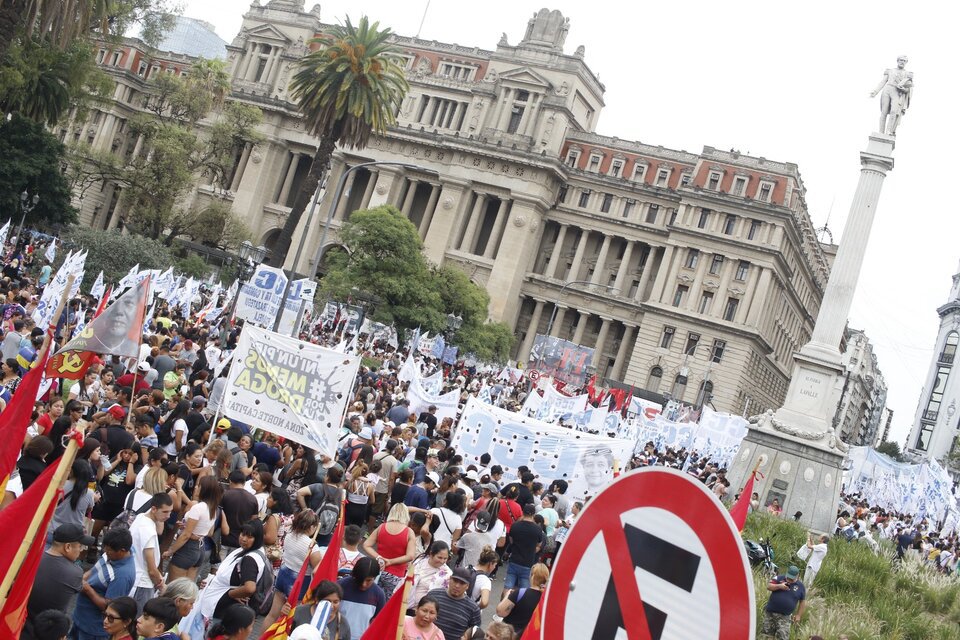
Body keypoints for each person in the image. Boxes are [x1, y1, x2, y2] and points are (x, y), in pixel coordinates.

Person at [23, 523, 93, 639]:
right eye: (80, 546)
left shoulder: (31, 557)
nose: (81, 550)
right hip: (49, 631)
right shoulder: (74, 572)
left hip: (21, 625)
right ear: (68, 547)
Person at [262, 510, 323, 631]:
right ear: (311, 527)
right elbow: (317, 569)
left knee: (273, 614)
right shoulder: (312, 546)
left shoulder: (289, 535)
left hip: (283, 573)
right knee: (293, 619)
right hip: (299, 581)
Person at [196, 520, 266, 624]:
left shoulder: (250, 559)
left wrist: (231, 594)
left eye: (250, 537)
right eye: (243, 534)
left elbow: (250, 588)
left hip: (222, 609)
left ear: (257, 539)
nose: (244, 539)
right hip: (217, 604)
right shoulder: (247, 550)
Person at [72, 528, 137, 640]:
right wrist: (82, 578)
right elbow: (95, 569)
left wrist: (88, 589)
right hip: (79, 618)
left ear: (122, 551)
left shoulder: (123, 576)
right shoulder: (114, 550)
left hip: (92, 630)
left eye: (109, 551)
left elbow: (110, 607)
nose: (106, 553)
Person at [165, 475, 221, 582]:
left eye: (198, 486)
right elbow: (209, 532)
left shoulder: (198, 507)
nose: (196, 488)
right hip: (200, 548)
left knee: (174, 587)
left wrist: (170, 551)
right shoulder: (212, 509)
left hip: (187, 548)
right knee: (187, 588)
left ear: (204, 489)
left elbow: (186, 535)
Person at [130, 493, 175, 611]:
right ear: (154, 509)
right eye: (165, 512)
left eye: (170, 511)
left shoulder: (140, 517)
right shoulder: (148, 531)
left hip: (134, 577)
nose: (168, 516)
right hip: (142, 584)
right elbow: (151, 569)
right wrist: (162, 585)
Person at [363, 503, 418, 598]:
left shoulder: (381, 527)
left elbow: (366, 545)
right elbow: (410, 556)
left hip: (378, 571)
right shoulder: (409, 532)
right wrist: (390, 561)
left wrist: (379, 557)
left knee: (374, 599)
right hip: (396, 575)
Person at [337, 557, 386, 640]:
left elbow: (377, 622)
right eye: (360, 579)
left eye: (368, 580)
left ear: (375, 577)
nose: (363, 584)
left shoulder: (379, 595)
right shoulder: (340, 586)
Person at [426, 567, 482, 640]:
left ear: (467, 586)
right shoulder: (433, 595)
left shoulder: (473, 609)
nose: (457, 586)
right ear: (449, 579)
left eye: (462, 583)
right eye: (455, 581)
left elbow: (475, 635)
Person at [287, 579, 351, 639]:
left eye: (335, 602)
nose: (331, 606)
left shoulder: (343, 623)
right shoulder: (298, 612)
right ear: (317, 600)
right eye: (327, 602)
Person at [496, 563, 548, 636]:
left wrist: (507, 595)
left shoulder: (520, 593)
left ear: (531, 576)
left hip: (510, 633)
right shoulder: (545, 599)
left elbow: (500, 612)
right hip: (527, 635)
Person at [503, 504, 544, 592]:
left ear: (523, 513)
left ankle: (503, 603)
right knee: (523, 590)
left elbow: (511, 541)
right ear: (533, 514)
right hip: (528, 563)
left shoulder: (515, 526)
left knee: (508, 586)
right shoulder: (537, 529)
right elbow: (539, 545)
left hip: (514, 560)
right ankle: (519, 605)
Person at [870, 55, 913, 135]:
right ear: (897, 60)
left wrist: (903, 89)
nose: (902, 62)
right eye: (901, 60)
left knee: (894, 111)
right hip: (887, 89)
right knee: (884, 112)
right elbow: (883, 82)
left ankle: (889, 131)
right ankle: (881, 132)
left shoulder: (907, 74)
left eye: (904, 61)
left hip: (897, 92)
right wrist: (875, 91)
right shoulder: (890, 71)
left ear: (906, 62)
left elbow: (908, 89)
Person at [221, 469, 259, 557]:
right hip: (241, 541)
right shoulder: (253, 498)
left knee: (218, 568)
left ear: (230, 481)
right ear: (244, 483)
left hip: (223, 539)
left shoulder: (225, 495)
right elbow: (254, 520)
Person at [761, 565, 806, 640]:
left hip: (784, 617)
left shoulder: (801, 586)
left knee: (783, 637)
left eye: (791, 579)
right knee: (766, 636)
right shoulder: (779, 578)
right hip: (770, 613)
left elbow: (802, 601)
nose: (789, 580)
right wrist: (779, 586)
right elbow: (769, 586)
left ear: (797, 576)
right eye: (788, 578)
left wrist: (798, 615)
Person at [409, 541, 453, 611]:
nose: (442, 561)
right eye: (439, 557)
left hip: (427, 611)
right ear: (431, 554)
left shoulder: (447, 574)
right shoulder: (419, 563)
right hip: (407, 606)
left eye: (445, 558)